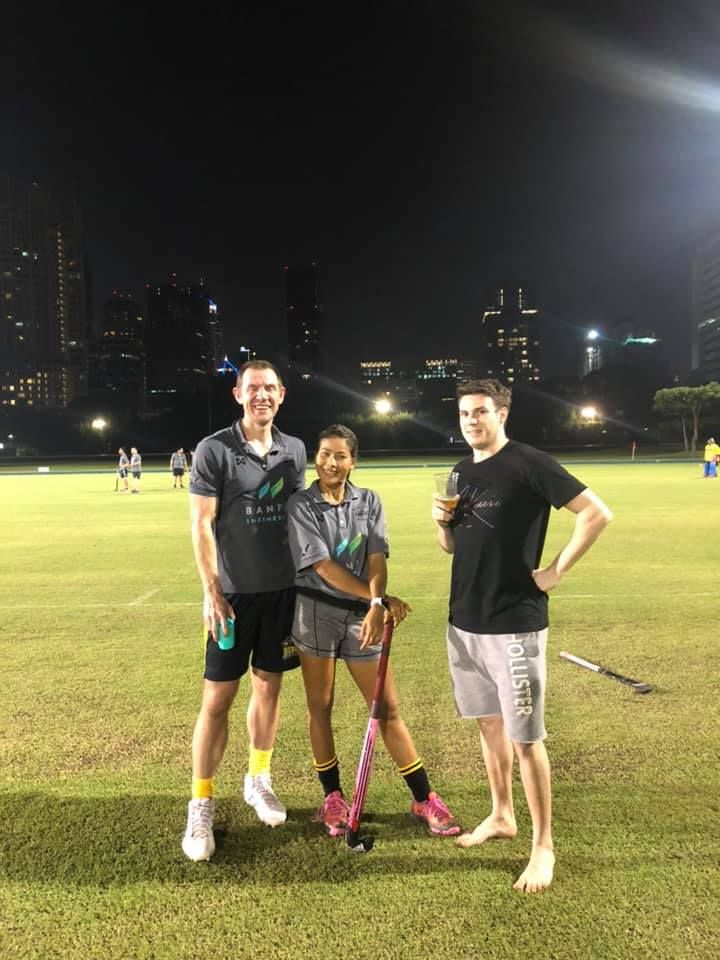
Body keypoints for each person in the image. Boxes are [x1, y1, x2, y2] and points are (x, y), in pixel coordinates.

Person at [431, 379, 612, 894]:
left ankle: (543, 847)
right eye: (465, 413)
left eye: (481, 411)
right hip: (464, 621)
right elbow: (453, 547)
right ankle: (501, 815)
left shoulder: (530, 463)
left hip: (514, 624)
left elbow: (596, 513)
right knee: (490, 728)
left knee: (526, 739)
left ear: (502, 413)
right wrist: (442, 527)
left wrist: (556, 570)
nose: (471, 420)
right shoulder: (461, 470)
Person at [287, 424, 460, 839]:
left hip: (362, 616)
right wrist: (378, 601)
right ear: (316, 457)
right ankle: (333, 798)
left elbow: (377, 556)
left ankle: (423, 798)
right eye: (325, 453)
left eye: (340, 455)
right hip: (316, 613)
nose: (331, 462)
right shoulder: (301, 504)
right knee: (320, 707)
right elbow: (322, 567)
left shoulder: (369, 501)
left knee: (387, 710)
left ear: (353, 461)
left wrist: (375, 603)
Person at [182, 360, 307, 862]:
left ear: (282, 395)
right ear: (238, 394)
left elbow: (302, 519)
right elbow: (201, 525)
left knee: (269, 688)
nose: (261, 396)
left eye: (269, 389)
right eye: (252, 388)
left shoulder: (295, 450)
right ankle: (202, 801)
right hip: (232, 598)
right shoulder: (215, 449)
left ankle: (258, 778)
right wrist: (212, 590)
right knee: (217, 699)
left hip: (283, 594)